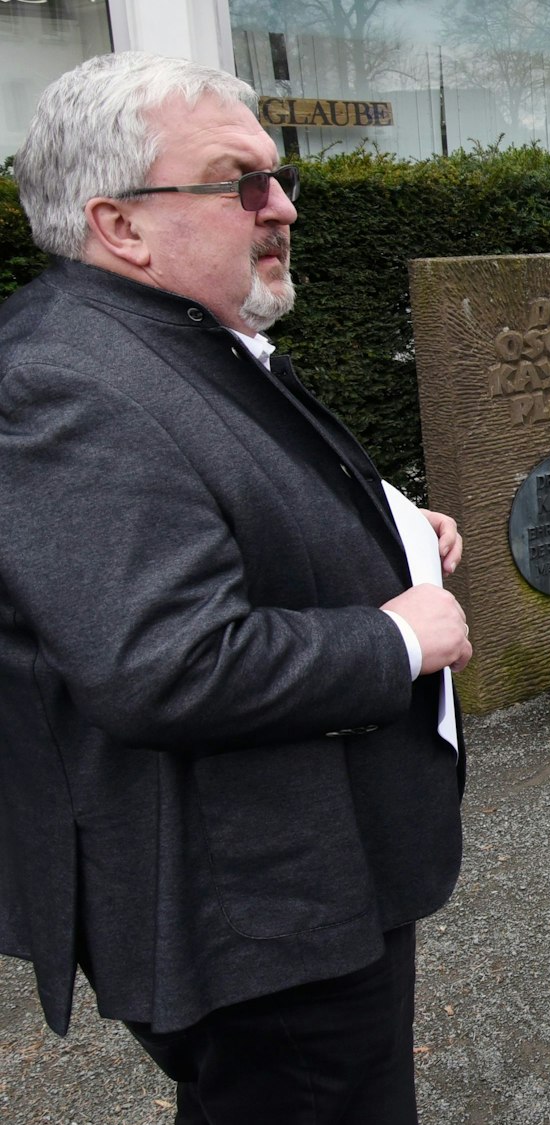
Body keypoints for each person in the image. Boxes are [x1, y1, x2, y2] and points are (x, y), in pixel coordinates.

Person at [0, 53, 472, 1122]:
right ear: (119, 225)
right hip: (254, 916)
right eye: (238, 182)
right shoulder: (65, 381)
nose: (281, 207)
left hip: (298, 880)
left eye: (278, 177)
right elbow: (163, 663)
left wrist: (389, 533)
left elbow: (231, 497)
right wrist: (395, 640)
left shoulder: (177, 330)